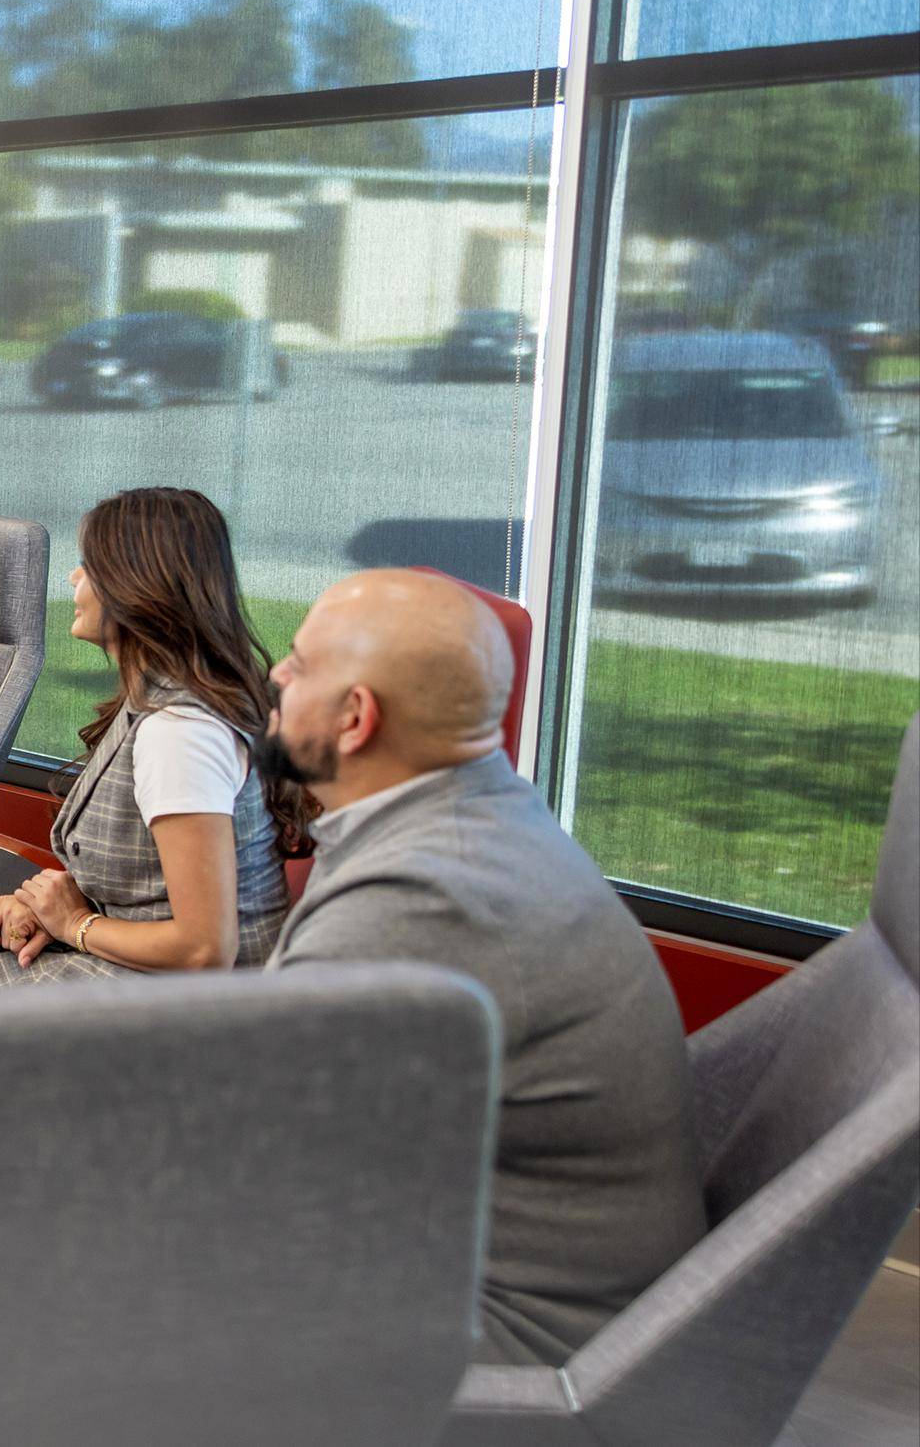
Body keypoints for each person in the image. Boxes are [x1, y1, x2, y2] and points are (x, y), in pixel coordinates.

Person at [260, 568, 704, 1364]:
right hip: (465, 1270)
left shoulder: (420, 898)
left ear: (356, 718)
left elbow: (255, 1164)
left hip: (498, 1348)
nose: (276, 676)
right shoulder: (482, 812)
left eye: (299, 663)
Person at [0, 487, 302, 982]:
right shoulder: (160, 700)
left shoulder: (180, 733)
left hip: (181, 1015)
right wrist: (47, 906)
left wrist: (76, 924)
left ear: (135, 586)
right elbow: (152, 885)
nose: (73, 577)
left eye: (88, 565)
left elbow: (204, 949)